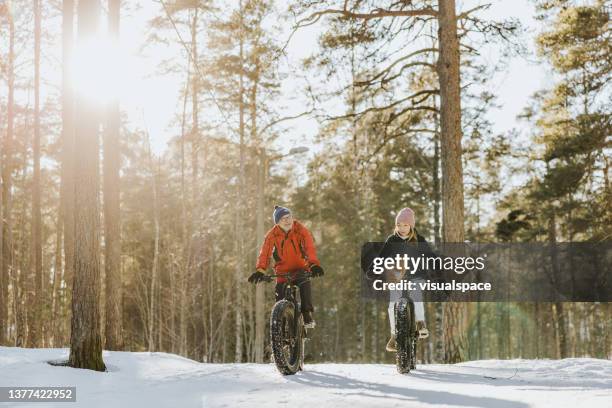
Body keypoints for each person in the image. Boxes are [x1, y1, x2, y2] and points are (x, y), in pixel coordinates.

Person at [248, 206, 324, 329]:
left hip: (300, 268)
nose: (287, 220)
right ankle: (281, 328)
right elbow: (265, 253)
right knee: (280, 298)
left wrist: (313, 264)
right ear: (278, 223)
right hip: (282, 272)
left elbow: (309, 247)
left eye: (288, 217)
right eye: (283, 219)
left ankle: (306, 313)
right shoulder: (272, 235)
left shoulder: (300, 230)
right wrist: (260, 270)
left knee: (304, 282)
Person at [379, 207, 436, 352]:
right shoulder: (392, 240)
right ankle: (394, 335)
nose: (402, 228)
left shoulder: (419, 240)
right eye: (399, 225)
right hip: (396, 277)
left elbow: (430, 257)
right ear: (396, 226)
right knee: (392, 304)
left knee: (416, 295)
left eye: (405, 225)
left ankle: (420, 322)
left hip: (415, 276)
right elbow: (381, 258)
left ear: (411, 225)